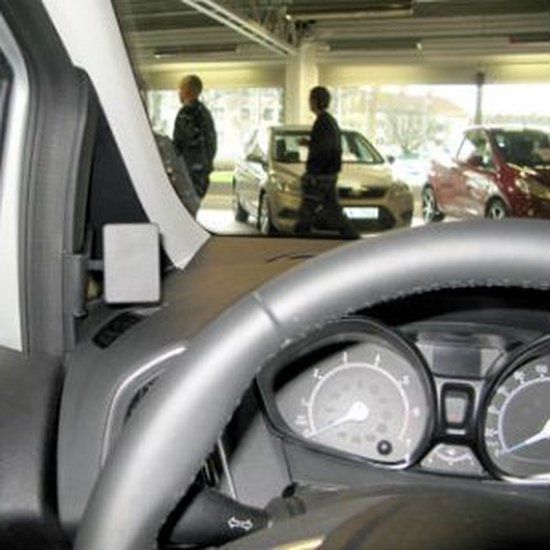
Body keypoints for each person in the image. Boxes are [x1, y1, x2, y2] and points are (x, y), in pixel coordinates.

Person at [295, 86, 359, 239]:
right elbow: (327, 146)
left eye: (311, 99)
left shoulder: (323, 122)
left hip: (320, 177)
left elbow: (324, 150)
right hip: (328, 175)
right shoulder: (329, 121)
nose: (309, 103)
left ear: (316, 101)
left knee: (306, 213)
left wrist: (313, 174)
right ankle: (352, 238)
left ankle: (300, 241)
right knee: (333, 211)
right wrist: (309, 143)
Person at [173, 75, 217, 200]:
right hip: (203, 172)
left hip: (188, 172)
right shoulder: (205, 112)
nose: (179, 93)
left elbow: (179, 144)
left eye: (180, 89)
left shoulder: (185, 113)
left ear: (186, 91)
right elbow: (212, 142)